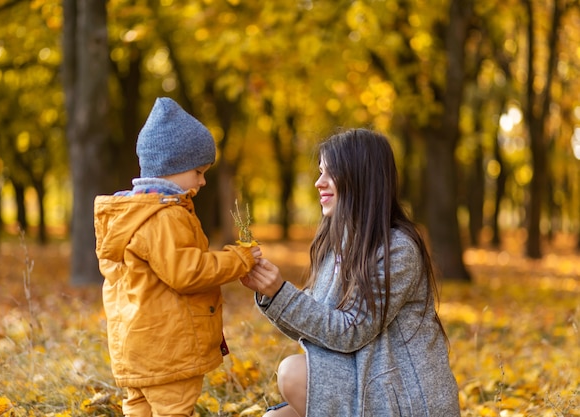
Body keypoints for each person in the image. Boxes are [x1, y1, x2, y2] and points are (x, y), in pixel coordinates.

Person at [241, 128, 460, 417]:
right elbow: (319, 324)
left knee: (292, 372)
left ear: (360, 178)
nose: (319, 183)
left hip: (402, 400)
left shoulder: (398, 248)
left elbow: (351, 331)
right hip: (362, 380)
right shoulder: (339, 243)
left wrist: (281, 293)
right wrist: (271, 293)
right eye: (320, 172)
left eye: (330, 173)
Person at [94, 97, 262, 417]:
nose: (202, 181)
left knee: (139, 409)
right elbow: (188, 272)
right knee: (174, 410)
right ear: (173, 165)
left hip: (136, 348)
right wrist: (240, 259)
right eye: (198, 171)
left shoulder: (131, 214)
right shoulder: (164, 217)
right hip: (168, 353)